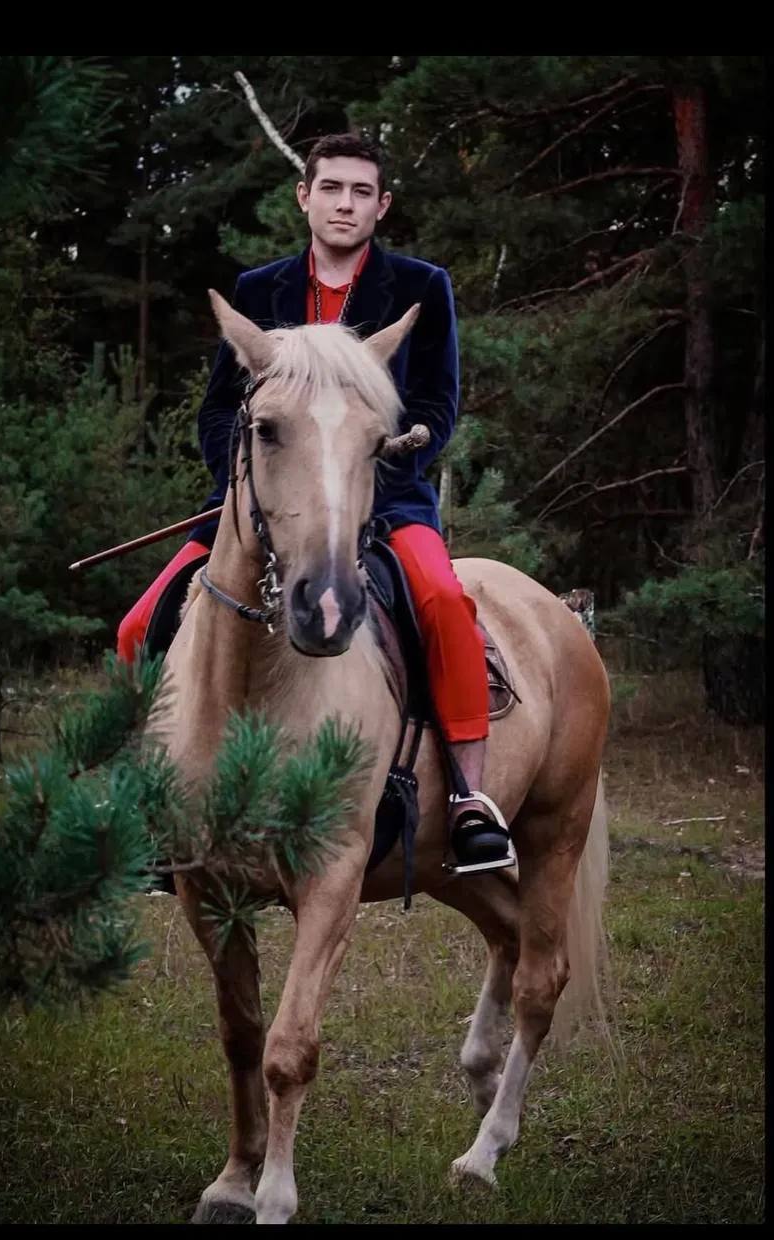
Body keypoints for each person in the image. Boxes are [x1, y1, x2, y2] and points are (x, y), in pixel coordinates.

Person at [117, 133, 510, 871]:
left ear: (382, 206)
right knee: (139, 624)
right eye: (331, 188)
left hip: (383, 497)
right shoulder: (258, 289)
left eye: (362, 192)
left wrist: (384, 459)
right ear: (305, 197)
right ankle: (150, 797)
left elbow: (438, 403)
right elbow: (219, 410)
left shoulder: (423, 286)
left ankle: (468, 797)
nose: (345, 204)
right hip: (259, 505)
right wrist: (249, 482)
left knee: (443, 604)